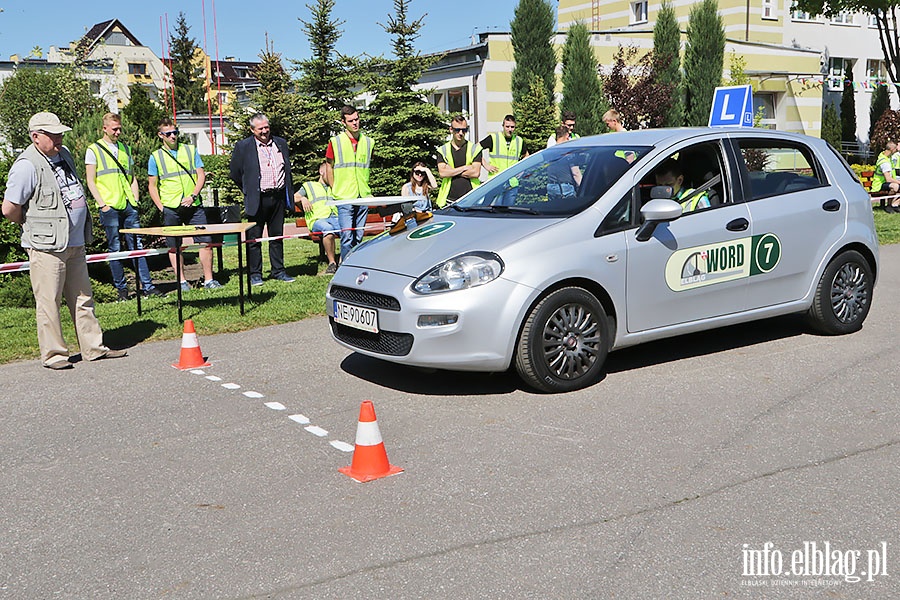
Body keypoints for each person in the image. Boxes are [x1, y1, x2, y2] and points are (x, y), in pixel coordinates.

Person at [1, 112, 128, 369]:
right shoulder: (26, 165)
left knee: (83, 297)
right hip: (47, 246)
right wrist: (31, 225)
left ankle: (93, 348)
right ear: (36, 137)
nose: (58, 138)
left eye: (59, 133)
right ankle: (55, 355)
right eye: (52, 134)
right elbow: (9, 209)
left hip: (74, 242)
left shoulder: (64, 153)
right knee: (49, 302)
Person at [85, 113, 164, 301]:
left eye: (119, 128)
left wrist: (134, 199)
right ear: (104, 128)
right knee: (114, 247)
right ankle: (122, 290)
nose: (118, 132)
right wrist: (102, 204)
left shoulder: (124, 148)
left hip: (128, 204)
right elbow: (90, 180)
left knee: (137, 245)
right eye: (114, 129)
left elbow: (132, 176)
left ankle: (148, 286)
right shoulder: (94, 150)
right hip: (109, 205)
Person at [148, 117, 220, 291]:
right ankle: (181, 282)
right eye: (169, 134)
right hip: (171, 207)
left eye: (175, 132)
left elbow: (201, 175)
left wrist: (193, 195)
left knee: (205, 242)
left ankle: (209, 280)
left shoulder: (190, 150)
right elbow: (152, 185)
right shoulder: (155, 157)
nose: (173, 136)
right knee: (174, 246)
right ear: (161, 135)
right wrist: (161, 207)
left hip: (194, 205)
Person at [229, 113, 296, 285]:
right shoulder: (243, 146)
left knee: (276, 237)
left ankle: (278, 271)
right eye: (261, 129)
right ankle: (255, 274)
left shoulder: (280, 143)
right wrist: (248, 189)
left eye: (267, 127)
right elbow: (235, 173)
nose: (265, 131)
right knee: (254, 238)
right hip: (258, 198)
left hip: (278, 197)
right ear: (252, 130)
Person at [325, 105, 374, 253]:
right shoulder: (336, 142)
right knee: (346, 236)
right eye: (351, 120)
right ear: (343, 122)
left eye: (357, 119)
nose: (355, 123)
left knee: (358, 236)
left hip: (362, 195)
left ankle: (354, 265)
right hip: (344, 196)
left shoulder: (368, 142)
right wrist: (334, 188)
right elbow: (329, 166)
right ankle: (344, 267)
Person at [294, 161, 340, 274]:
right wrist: (303, 199)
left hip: (335, 218)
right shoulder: (309, 185)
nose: (331, 174)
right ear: (321, 171)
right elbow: (294, 197)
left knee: (348, 231)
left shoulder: (334, 187)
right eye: (329, 172)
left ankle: (344, 262)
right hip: (317, 220)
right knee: (328, 230)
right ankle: (332, 263)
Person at [436, 115, 483, 207]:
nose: (461, 133)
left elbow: (475, 173)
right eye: (457, 130)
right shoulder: (443, 150)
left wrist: (452, 170)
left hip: (471, 197)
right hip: (449, 198)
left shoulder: (474, 149)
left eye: (464, 130)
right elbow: (442, 173)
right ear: (451, 130)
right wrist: (465, 168)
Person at [547, 125, 583, 201]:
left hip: (551, 186)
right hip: (565, 188)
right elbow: (575, 173)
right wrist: (584, 187)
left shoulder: (549, 151)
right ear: (566, 136)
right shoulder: (568, 153)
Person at [872, 140, 900, 213]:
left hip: (884, 183)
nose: (896, 150)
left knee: (896, 185)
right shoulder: (884, 162)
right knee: (895, 186)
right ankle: (889, 205)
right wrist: (898, 182)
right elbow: (888, 179)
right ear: (892, 149)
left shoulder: (887, 157)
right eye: (895, 149)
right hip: (879, 184)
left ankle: (895, 204)